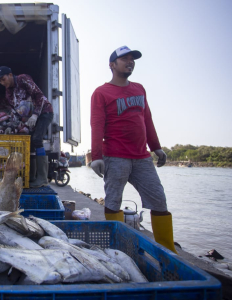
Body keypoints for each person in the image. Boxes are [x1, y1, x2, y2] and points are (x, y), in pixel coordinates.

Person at [90, 46, 177, 254]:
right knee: (113, 201)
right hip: (115, 156)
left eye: (132, 59)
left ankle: (169, 252)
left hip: (142, 157)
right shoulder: (101, 93)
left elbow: (147, 119)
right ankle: (118, 250)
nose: (130, 62)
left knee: (159, 200)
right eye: (124, 59)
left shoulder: (139, 88)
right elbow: (97, 124)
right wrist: (96, 156)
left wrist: (156, 147)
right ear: (112, 65)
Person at [0, 66, 54, 188]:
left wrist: (35, 115)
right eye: (0, 81)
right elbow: (15, 111)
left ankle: (42, 178)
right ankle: (32, 177)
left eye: (3, 79)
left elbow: (40, 97)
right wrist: (11, 125)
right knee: (30, 143)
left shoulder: (23, 79)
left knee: (37, 139)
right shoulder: (8, 93)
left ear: (10, 75)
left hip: (44, 112)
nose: (2, 82)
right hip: (29, 117)